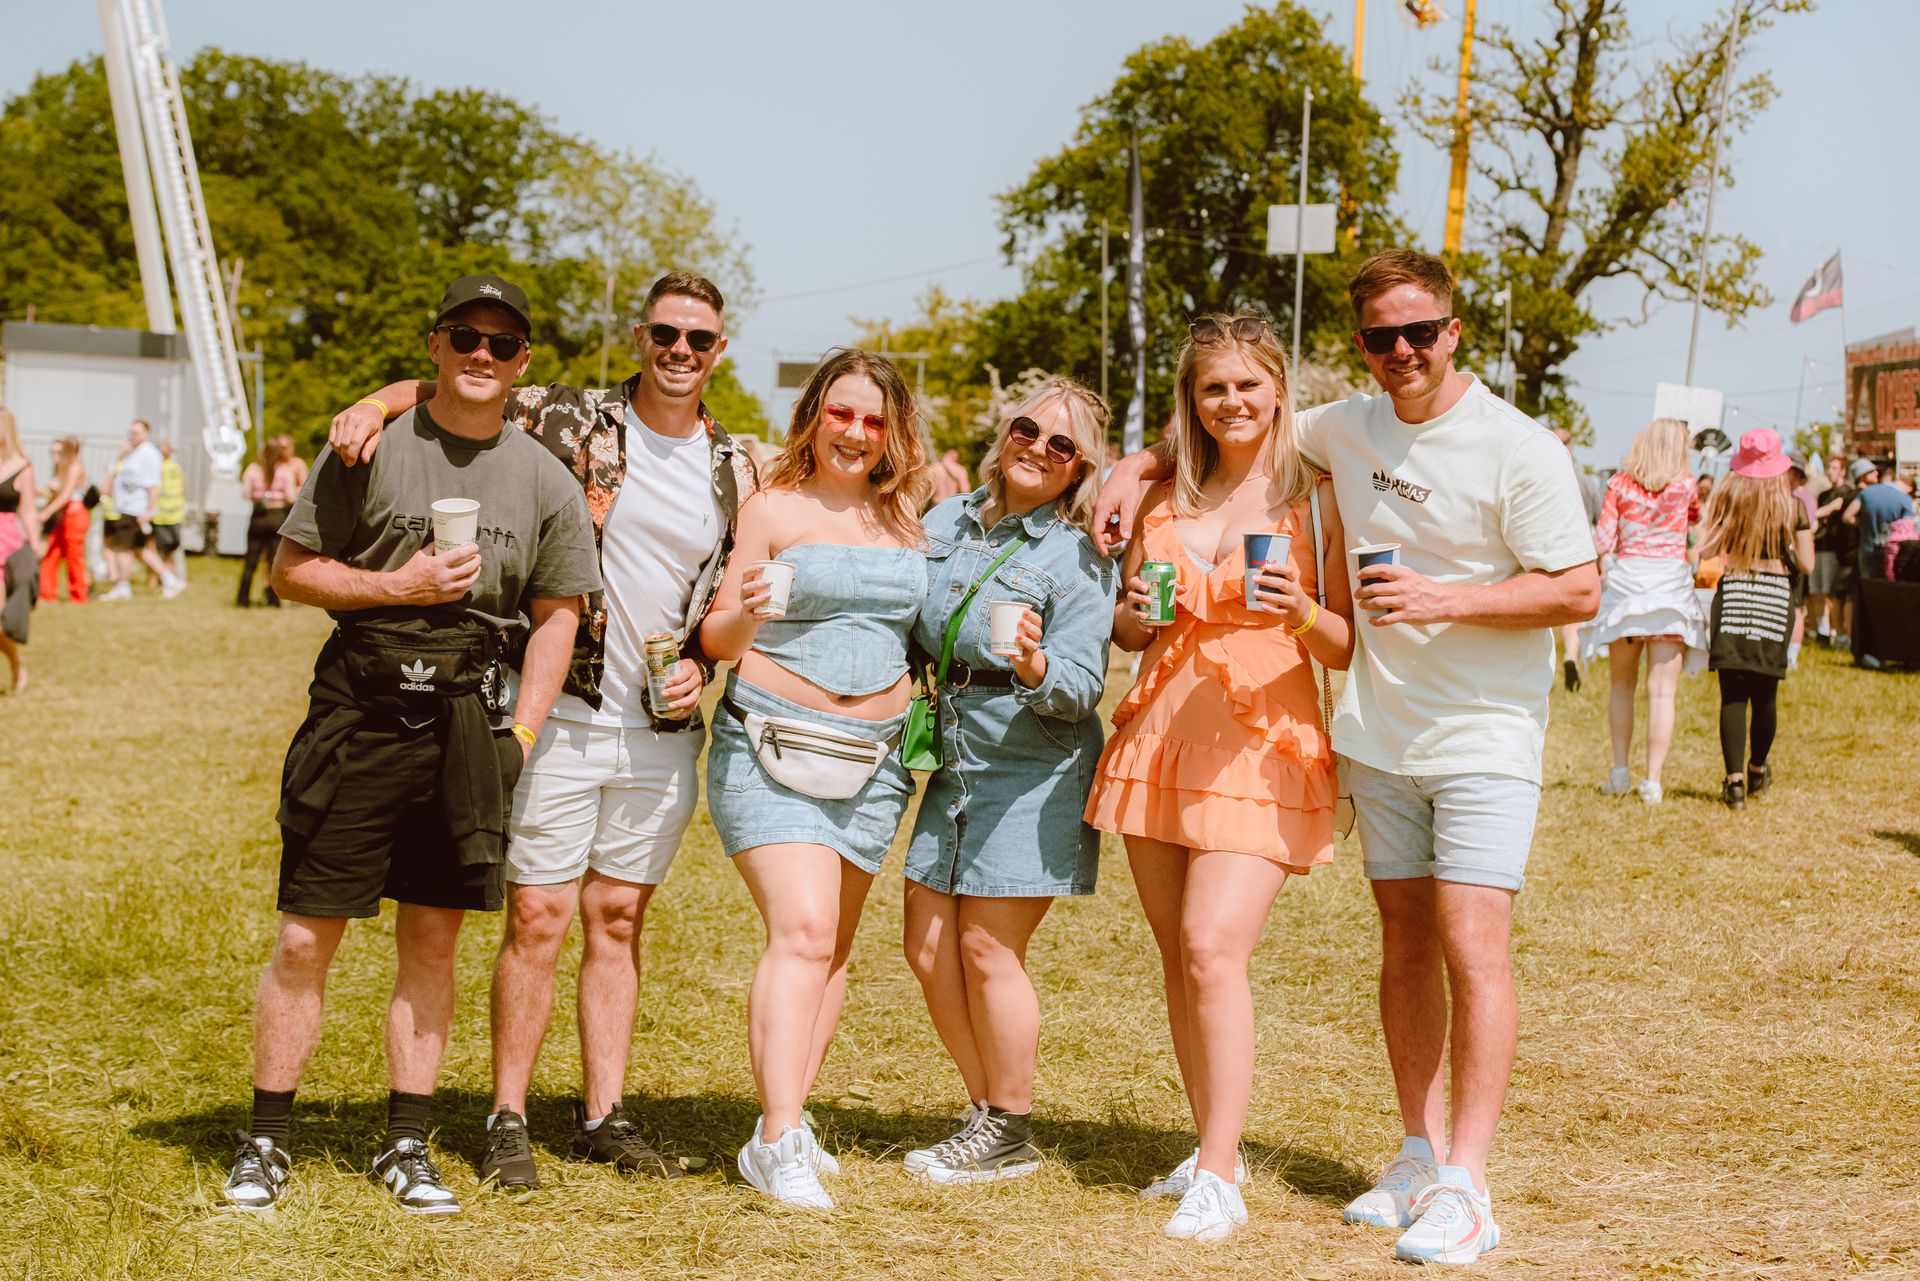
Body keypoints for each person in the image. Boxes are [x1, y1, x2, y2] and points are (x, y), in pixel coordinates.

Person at [1096, 250, 1598, 1266]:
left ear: (1454, 330)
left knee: (1472, 947)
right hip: (1375, 733)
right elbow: (1215, 418)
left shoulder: (1515, 445)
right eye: (1381, 336)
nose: (1402, 350)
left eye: (1419, 331)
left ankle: (1466, 1181)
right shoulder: (1344, 427)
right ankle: (1416, 1153)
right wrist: (1130, 467)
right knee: (1402, 944)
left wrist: (1437, 599)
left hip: (1480, 735)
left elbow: (1579, 589)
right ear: (1361, 346)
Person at [328, 271, 758, 1191]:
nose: (680, 351)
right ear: (641, 338)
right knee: (537, 916)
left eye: (699, 339)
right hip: (560, 707)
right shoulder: (570, 417)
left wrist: (701, 663)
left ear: (720, 351)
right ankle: (507, 1115)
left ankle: (603, 1113)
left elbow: (725, 592)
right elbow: (451, 388)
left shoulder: (737, 465)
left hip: (661, 725)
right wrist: (372, 403)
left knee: (619, 917)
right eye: (666, 334)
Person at [218, 274, 601, 1216]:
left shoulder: (545, 477)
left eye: (502, 344)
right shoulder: (369, 444)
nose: (482, 355)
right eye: (465, 336)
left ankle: (406, 1140)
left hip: (467, 720)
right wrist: (400, 586)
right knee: (306, 933)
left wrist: (521, 733)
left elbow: (558, 615)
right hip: (358, 705)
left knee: (433, 939)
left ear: (523, 362)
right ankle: (266, 1138)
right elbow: (291, 571)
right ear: (435, 345)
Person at [1086, 316, 1354, 1243]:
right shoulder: (1167, 494)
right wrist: (1130, 610)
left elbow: (1347, 642)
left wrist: (1303, 609)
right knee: (1179, 958)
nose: (1232, 402)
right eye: (1213, 388)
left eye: (1247, 384)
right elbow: (1130, 630)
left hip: (1263, 742)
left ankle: (1216, 1175)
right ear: (1191, 399)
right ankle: (1214, 1146)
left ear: (1278, 388)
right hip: (1160, 734)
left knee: (1212, 947)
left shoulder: (1316, 496)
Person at [699, 348, 929, 1209]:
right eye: (842, 412)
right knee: (801, 929)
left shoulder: (907, 515)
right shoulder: (771, 506)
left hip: (874, 764)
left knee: (830, 947)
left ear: (893, 430)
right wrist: (750, 611)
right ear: (813, 415)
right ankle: (774, 1137)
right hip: (771, 746)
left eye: (873, 419)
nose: (856, 432)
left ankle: (791, 1117)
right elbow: (717, 633)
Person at [899, 378, 1116, 1185]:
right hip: (955, 755)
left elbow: (1082, 685)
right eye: (1028, 429)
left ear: (1079, 468)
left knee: (989, 947)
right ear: (1005, 431)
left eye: (1063, 445)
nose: (1039, 449)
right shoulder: (943, 522)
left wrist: (1032, 661)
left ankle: (1010, 1127)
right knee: (926, 942)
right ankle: (988, 1109)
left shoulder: (1079, 556)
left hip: (1034, 763)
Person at [1586, 418, 1707, 804]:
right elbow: (1695, 522)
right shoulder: (1685, 485)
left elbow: (1602, 540)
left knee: (1621, 686)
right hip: (1670, 591)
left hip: (1627, 591)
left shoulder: (1619, 485)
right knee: (1662, 693)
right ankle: (1653, 781)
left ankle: (1619, 772)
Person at [1698, 430, 1813, 808]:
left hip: (1735, 593)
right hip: (1774, 596)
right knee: (1766, 693)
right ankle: (1758, 770)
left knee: (1732, 694)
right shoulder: (1793, 506)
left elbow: (1707, 551)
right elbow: (1808, 564)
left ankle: (1734, 784)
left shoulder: (1729, 499)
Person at [98, 420, 183, 601]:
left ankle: (123, 586)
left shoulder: (148, 454)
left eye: (136, 432)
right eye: (131, 432)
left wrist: (150, 510)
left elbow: (153, 484)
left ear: (146, 433)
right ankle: (170, 580)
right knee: (139, 549)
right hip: (126, 507)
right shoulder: (133, 452)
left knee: (121, 548)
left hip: (134, 508)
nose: (132, 436)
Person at [1842, 460, 1914, 671]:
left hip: (1867, 549)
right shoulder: (1904, 499)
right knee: (1889, 599)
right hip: (1893, 556)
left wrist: (1863, 525)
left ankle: (1865, 647)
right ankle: (1889, 645)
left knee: (1866, 598)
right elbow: (1908, 530)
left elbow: (1847, 517)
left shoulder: (1868, 493)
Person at [1552, 426, 1602, 691]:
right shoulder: (1585, 483)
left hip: (1551, 550)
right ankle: (1572, 653)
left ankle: (1556, 659)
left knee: (1551, 611)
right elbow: (1598, 520)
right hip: (1582, 551)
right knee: (1576, 612)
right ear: (1571, 447)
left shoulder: (1542, 479)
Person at [0, 408, 45, 693]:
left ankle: (16, 663)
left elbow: (27, 509)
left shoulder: (22, 467)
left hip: (6, 543)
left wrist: (36, 541)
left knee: (1, 621)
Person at [237, 438, 295, 607]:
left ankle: (243, 599)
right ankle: (273, 599)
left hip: (259, 517)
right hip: (277, 516)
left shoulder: (253, 469)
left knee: (251, 560)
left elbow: (245, 493)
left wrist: (260, 496)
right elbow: (291, 497)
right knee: (274, 560)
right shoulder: (285, 470)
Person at [1808, 455, 1853, 647]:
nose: (1830, 471)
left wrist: (1811, 515)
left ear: (1843, 470)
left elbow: (1833, 508)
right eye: (1829, 467)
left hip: (1833, 548)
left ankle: (1835, 630)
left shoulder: (1847, 491)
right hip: (1818, 546)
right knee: (1816, 590)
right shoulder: (1824, 494)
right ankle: (1822, 630)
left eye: (1834, 468)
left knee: (1829, 591)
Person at [39, 437, 89, 604]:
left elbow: (66, 495)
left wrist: (46, 513)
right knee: (51, 552)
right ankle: (47, 594)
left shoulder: (74, 467)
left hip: (75, 515)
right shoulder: (60, 469)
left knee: (74, 556)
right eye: (52, 452)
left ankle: (78, 596)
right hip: (62, 516)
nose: (54, 455)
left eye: (58, 452)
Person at [152, 440, 187, 584]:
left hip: (161, 514)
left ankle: (162, 577)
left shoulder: (158, 467)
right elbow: (183, 487)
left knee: (160, 549)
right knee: (175, 549)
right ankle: (179, 576)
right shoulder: (176, 467)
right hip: (175, 513)